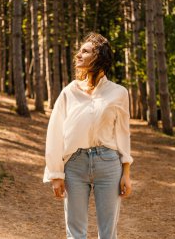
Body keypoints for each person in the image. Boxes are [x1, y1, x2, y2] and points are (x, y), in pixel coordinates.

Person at [43, 32, 133, 239]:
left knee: (108, 233)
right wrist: (56, 174)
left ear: (99, 56)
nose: (78, 55)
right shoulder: (69, 91)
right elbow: (55, 132)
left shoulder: (119, 92)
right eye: (79, 50)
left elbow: (123, 134)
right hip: (75, 165)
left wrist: (126, 174)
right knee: (75, 233)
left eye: (85, 51)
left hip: (108, 164)